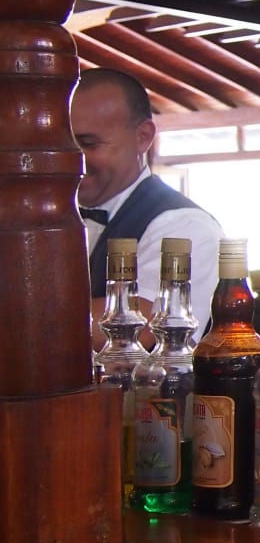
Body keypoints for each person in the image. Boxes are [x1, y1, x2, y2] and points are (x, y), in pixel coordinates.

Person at [71, 69, 224, 349]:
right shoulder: (51, 219)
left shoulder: (185, 225)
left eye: (88, 144)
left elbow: (144, 327)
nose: (72, 159)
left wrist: (24, 313)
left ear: (142, 136)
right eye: (63, 145)